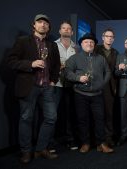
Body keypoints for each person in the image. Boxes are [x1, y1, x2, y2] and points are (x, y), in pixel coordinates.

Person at [7, 14, 60, 163]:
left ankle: (41, 149)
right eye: (40, 22)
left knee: (51, 118)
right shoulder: (23, 41)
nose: (43, 25)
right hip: (28, 87)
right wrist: (30, 64)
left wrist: (53, 81)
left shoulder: (52, 45)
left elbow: (56, 65)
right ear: (34, 25)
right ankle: (25, 152)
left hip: (46, 87)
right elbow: (11, 61)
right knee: (26, 119)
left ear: (48, 28)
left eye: (46, 23)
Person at [65, 33, 113, 153]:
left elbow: (107, 72)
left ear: (94, 45)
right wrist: (78, 78)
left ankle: (101, 143)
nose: (89, 44)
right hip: (80, 94)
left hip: (97, 94)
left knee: (100, 119)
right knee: (82, 119)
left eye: (91, 42)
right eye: (86, 42)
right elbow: (67, 73)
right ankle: (85, 143)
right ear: (81, 44)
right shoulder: (74, 58)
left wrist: (102, 83)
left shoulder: (101, 58)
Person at [53, 20, 78, 150]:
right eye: (64, 28)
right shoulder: (53, 45)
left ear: (72, 32)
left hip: (71, 85)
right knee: (52, 114)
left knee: (70, 113)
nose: (66, 30)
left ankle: (70, 139)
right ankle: (50, 142)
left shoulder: (76, 48)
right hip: (56, 84)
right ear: (60, 31)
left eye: (69, 28)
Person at [95, 28, 119, 146]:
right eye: (107, 36)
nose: (109, 38)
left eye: (111, 36)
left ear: (113, 39)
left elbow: (116, 72)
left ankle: (108, 137)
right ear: (103, 37)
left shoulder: (116, 52)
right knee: (97, 113)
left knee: (109, 113)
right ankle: (98, 139)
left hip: (110, 86)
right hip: (96, 85)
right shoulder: (95, 49)